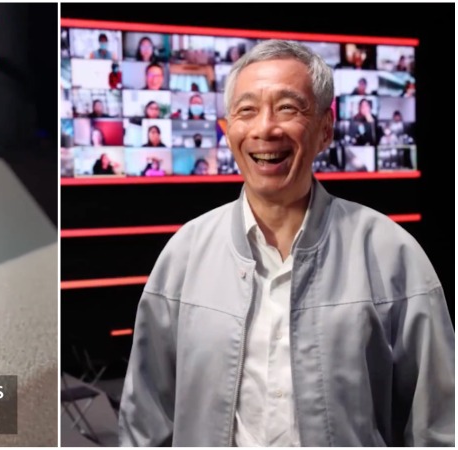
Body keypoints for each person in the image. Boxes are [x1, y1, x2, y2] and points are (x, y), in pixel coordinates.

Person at [119, 40, 453, 447]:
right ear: (227, 131)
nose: (265, 128)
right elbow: (145, 425)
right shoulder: (184, 254)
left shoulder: (391, 253)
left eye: (288, 108)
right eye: (247, 110)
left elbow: (438, 425)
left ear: (325, 129)